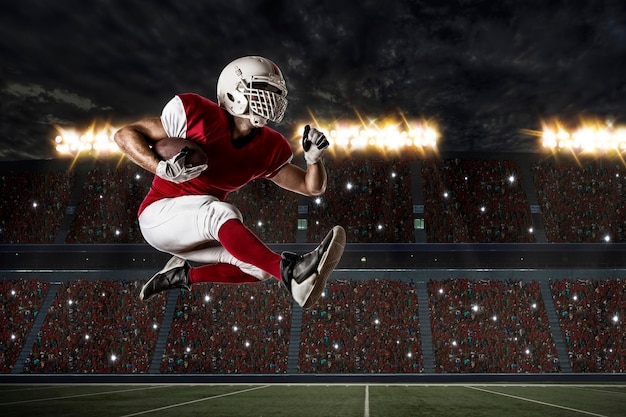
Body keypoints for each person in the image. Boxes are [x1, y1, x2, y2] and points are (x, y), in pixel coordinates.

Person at [114, 55, 345, 309]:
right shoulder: (197, 114)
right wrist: (160, 167)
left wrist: (314, 160)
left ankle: (181, 275)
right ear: (234, 93)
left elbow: (311, 187)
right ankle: (293, 273)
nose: (272, 98)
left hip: (199, 228)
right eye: (262, 89)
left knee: (258, 269)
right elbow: (124, 134)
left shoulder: (268, 146)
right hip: (159, 216)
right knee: (222, 212)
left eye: (276, 92)